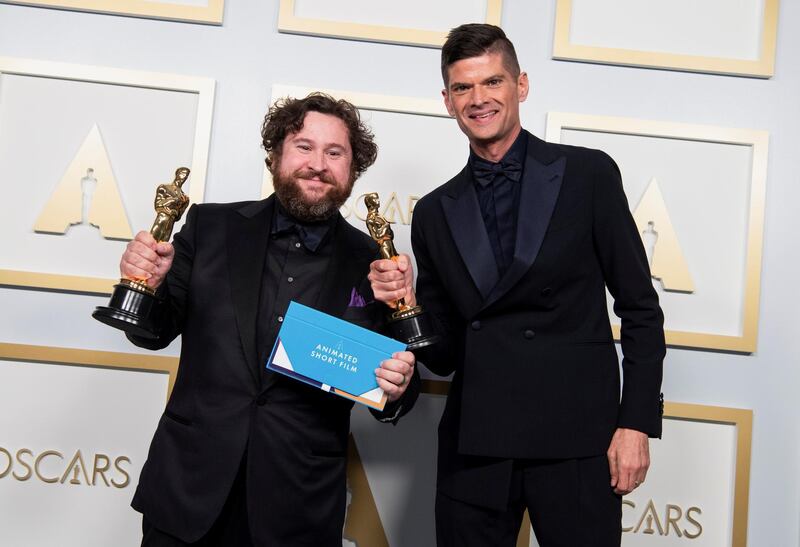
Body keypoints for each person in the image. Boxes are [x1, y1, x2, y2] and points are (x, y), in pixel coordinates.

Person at [369, 24, 665, 546]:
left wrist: (635, 424)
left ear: (521, 86)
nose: (478, 99)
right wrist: (405, 302)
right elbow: (443, 356)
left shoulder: (587, 174)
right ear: (446, 99)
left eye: (492, 82)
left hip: (579, 439)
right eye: (463, 88)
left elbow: (640, 307)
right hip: (476, 446)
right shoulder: (436, 211)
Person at [121, 92, 419, 546]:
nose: (317, 163)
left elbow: (398, 386)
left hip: (297, 507)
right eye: (303, 146)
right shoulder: (210, 227)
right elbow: (152, 333)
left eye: (334, 152)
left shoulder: (375, 261)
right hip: (189, 490)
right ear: (275, 157)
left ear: (351, 171)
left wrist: (397, 387)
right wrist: (148, 284)